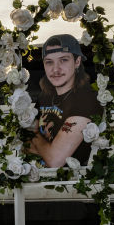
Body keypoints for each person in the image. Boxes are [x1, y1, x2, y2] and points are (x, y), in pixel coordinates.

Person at [26, 34, 101, 167]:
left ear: (77, 62)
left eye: (64, 60)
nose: (55, 69)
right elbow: (24, 146)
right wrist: (46, 149)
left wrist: (35, 133)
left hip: (70, 181)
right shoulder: (46, 96)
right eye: (49, 62)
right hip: (39, 176)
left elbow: (55, 160)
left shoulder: (86, 100)